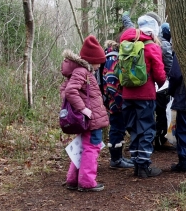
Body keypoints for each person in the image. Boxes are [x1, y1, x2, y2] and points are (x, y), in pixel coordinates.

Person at [120, 14, 167, 177]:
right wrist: (162, 84)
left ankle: (136, 164)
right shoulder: (151, 46)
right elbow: (159, 72)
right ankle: (143, 166)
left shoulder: (126, 43)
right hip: (145, 95)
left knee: (133, 128)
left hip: (127, 93)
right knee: (146, 128)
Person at [61, 36, 109, 192]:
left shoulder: (81, 71)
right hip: (91, 119)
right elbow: (70, 91)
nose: (99, 66)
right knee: (92, 147)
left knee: (82, 147)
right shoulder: (83, 71)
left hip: (90, 119)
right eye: (98, 62)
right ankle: (87, 181)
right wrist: (83, 109)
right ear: (91, 60)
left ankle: (73, 179)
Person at [101, 40, 133, 168]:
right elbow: (111, 81)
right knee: (117, 128)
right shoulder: (112, 58)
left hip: (114, 99)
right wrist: (120, 100)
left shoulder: (110, 57)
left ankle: (119, 157)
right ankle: (116, 159)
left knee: (119, 127)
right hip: (115, 100)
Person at [154, 21, 174, 150]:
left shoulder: (153, 42)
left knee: (157, 111)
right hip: (162, 83)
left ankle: (157, 138)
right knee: (162, 111)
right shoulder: (165, 45)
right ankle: (161, 139)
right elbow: (169, 65)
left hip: (153, 83)